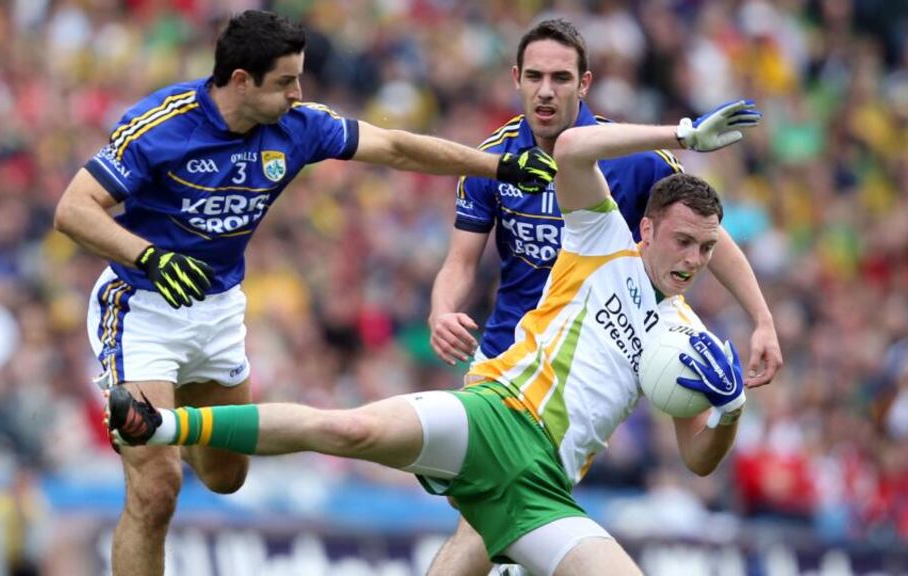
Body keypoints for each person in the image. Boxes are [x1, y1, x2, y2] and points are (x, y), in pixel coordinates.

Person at [104, 100, 762, 576]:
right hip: (493, 418)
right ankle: (161, 425)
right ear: (646, 231)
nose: (694, 259)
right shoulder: (601, 239)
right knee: (348, 431)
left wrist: (729, 411)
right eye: (682, 240)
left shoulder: (689, 345)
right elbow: (572, 150)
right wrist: (681, 134)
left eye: (706, 248)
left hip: (541, 490)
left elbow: (699, 460)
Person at [52, 10, 555, 576]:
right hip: (142, 306)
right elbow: (72, 210)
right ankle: (154, 436)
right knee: (157, 486)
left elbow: (394, 147)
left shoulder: (299, 126)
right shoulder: (160, 125)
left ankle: (169, 425)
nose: (299, 93)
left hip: (217, 310)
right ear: (241, 81)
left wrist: (498, 166)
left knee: (225, 476)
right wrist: (147, 255)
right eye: (286, 82)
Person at [428, 24, 781, 572]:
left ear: (584, 83)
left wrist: (761, 318)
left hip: (583, 367)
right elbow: (459, 262)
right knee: (487, 517)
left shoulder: (631, 158)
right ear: (516, 80)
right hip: (507, 359)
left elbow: (706, 233)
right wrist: (442, 309)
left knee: (498, 526)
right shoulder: (491, 160)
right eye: (536, 77)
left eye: (561, 78)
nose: (547, 90)